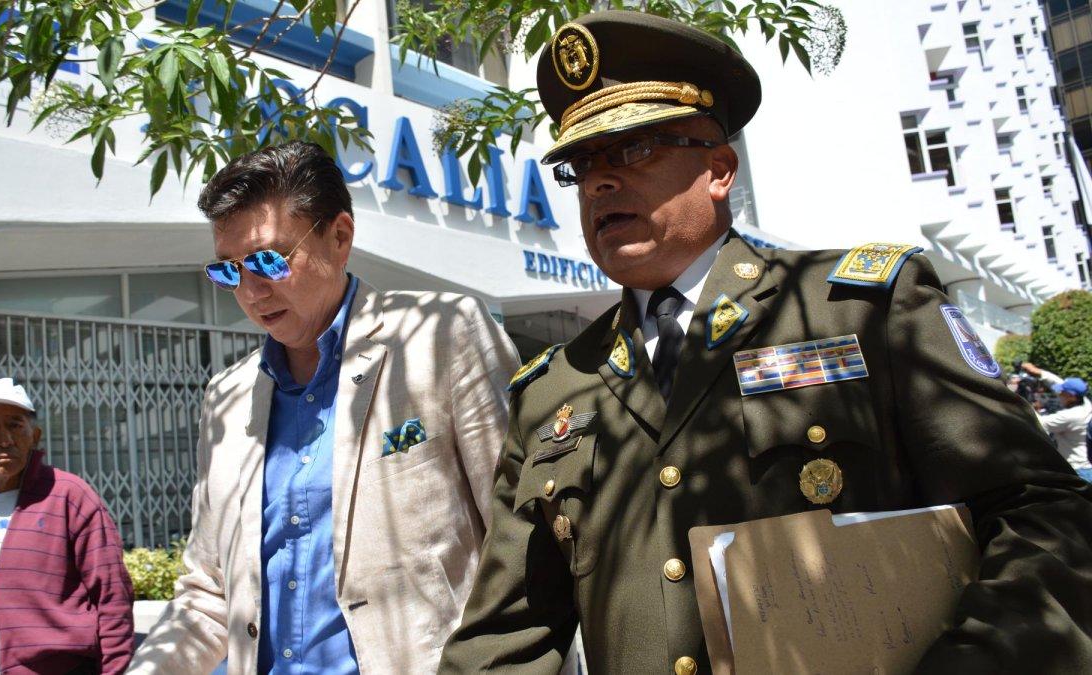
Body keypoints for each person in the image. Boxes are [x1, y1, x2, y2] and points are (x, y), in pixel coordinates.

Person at [439, 11, 1092, 674]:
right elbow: (503, 638)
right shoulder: (553, 388)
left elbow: (1045, 516)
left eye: (633, 149)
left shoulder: (859, 309)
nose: (599, 181)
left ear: (719, 169)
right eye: (581, 165)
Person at [128, 141, 520, 674]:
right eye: (229, 271)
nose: (251, 292)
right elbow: (208, 592)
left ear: (339, 238)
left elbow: (519, 541)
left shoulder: (442, 336)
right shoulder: (227, 396)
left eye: (268, 260)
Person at [0, 378, 135, 674]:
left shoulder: (69, 496)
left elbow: (112, 597)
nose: (4, 439)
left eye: (15, 425)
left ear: (35, 436)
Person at [1022, 362, 1092, 481]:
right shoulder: (1086, 403)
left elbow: (1037, 423)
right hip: (1087, 466)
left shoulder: (1070, 416)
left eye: (1062, 392)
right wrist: (1039, 372)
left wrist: (1024, 403)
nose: (1059, 394)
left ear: (1071, 396)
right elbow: (1059, 382)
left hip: (1078, 470)